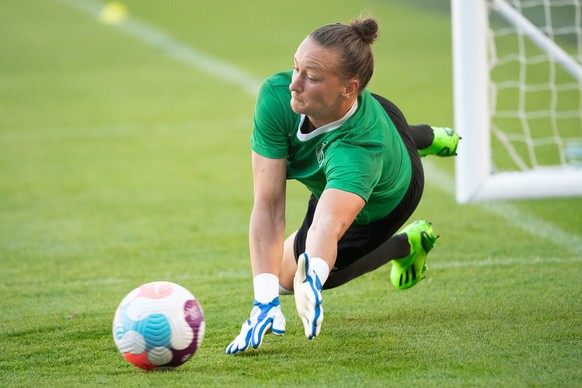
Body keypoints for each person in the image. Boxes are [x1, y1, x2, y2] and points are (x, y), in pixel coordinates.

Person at [226, 16, 459, 354]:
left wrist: (315, 277)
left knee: (291, 278)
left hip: (387, 197)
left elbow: (328, 224)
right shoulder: (277, 97)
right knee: (273, 277)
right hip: (382, 115)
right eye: (296, 67)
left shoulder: (360, 150)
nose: (294, 83)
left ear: (349, 88)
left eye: (311, 77)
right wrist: (263, 301)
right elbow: (269, 204)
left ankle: (408, 244)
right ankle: (426, 136)